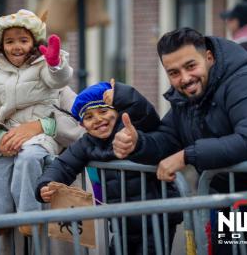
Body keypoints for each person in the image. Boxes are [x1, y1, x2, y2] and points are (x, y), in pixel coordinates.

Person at [112, 28, 247, 254]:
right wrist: (137, 143)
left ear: (209, 58)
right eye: (174, 73)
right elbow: (167, 138)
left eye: (190, 66)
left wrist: (187, 155)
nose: (184, 78)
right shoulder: (186, 98)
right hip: (234, 203)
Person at [0, 9, 82, 246]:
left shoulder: (43, 68)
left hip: (41, 138)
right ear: (2, 44)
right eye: (9, 41)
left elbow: (59, 81)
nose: (16, 46)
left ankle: (28, 215)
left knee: (29, 159)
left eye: (23, 40)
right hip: (8, 136)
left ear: (35, 43)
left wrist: (54, 63)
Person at [36, 80, 182, 255]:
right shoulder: (87, 143)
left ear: (118, 112)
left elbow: (146, 114)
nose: (98, 119)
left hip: (157, 221)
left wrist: (122, 95)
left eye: (103, 111)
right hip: (121, 223)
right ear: (82, 125)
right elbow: (64, 164)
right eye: (88, 117)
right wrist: (45, 184)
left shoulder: (131, 130)